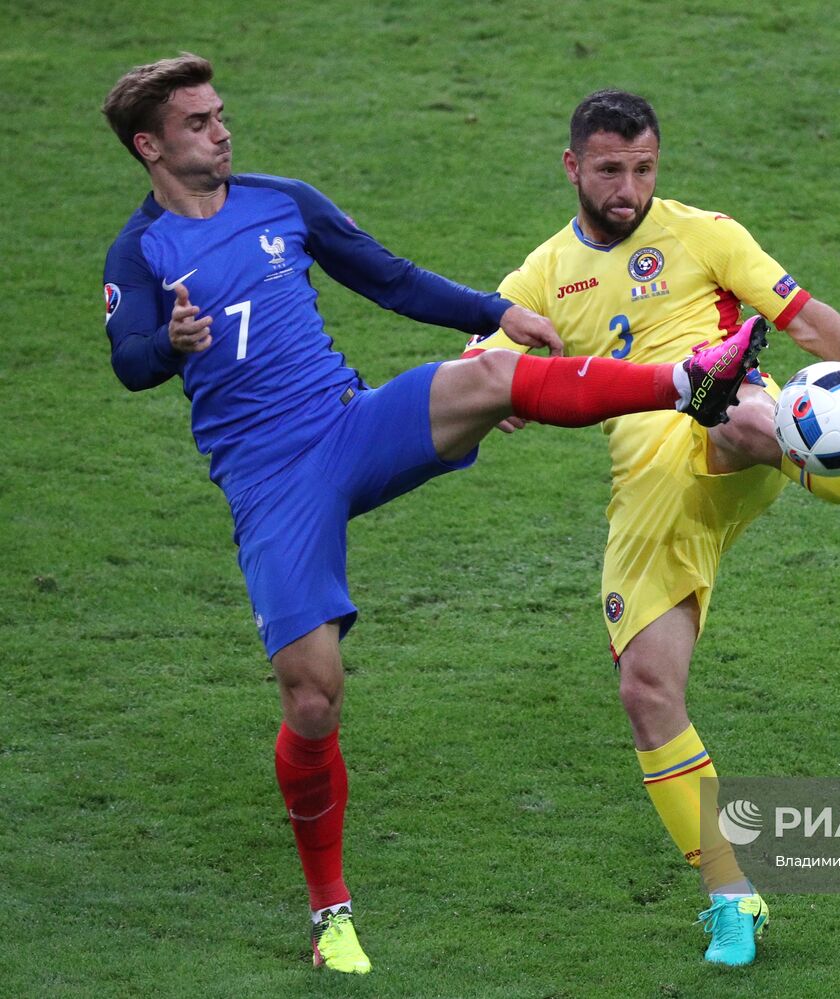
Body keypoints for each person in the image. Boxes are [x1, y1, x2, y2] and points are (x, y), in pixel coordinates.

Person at [100, 57, 766, 976]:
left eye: (221, 114)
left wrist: (500, 310)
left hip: (347, 424)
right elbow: (128, 358)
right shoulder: (140, 253)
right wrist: (169, 344)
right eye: (199, 122)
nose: (222, 131)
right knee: (314, 693)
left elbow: (388, 279)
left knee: (488, 376)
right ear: (151, 144)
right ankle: (330, 911)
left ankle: (687, 380)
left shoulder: (283, 202)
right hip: (271, 486)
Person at [461, 90, 840, 967]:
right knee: (647, 692)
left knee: (725, 403)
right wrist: (494, 388)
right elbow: (480, 362)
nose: (629, 188)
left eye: (644, 168)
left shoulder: (706, 234)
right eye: (610, 170)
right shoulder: (542, 275)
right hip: (650, 494)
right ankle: (732, 896)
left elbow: (813, 323)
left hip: (731, 431)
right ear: (573, 168)